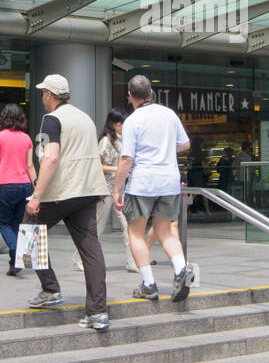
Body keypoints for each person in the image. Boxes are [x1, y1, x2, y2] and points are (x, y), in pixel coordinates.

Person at [24, 75, 110, 330]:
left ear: (49, 95)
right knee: (90, 248)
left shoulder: (51, 120)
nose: (42, 98)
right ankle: (97, 312)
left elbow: (49, 159)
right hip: (88, 189)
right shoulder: (84, 117)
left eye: (43, 94)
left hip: (62, 191)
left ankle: (50, 289)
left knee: (29, 230)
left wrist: (37, 195)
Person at [114, 74, 196, 303]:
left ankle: (149, 284)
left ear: (130, 96)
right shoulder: (169, 114)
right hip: (169, 181)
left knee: (136, 233)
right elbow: (186, 143)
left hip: (142, 183)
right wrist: (166, 151)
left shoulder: (132, 121)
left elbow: (126, 159)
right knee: (166, 231)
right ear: (151, 92)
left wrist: (117, 189)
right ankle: (181, 269)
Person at [77, 107, 137, 273]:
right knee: (98, 228)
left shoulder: (122, 140)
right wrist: (117, 170)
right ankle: (79, 256)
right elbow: (97, 165)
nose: (124, 126)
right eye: (121, 123)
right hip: (105, 190)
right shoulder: (105, 141)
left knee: (128, 226)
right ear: (114, 124)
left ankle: (132, 262)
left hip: (120, 190)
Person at [0, 104, 35, 277]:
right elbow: (30, 165)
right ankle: (14, 265)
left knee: (4, 224)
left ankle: (15, 248)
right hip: (25, 186)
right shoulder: (26, 138)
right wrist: (35, 188)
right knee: (15, 224)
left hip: (7, 185)